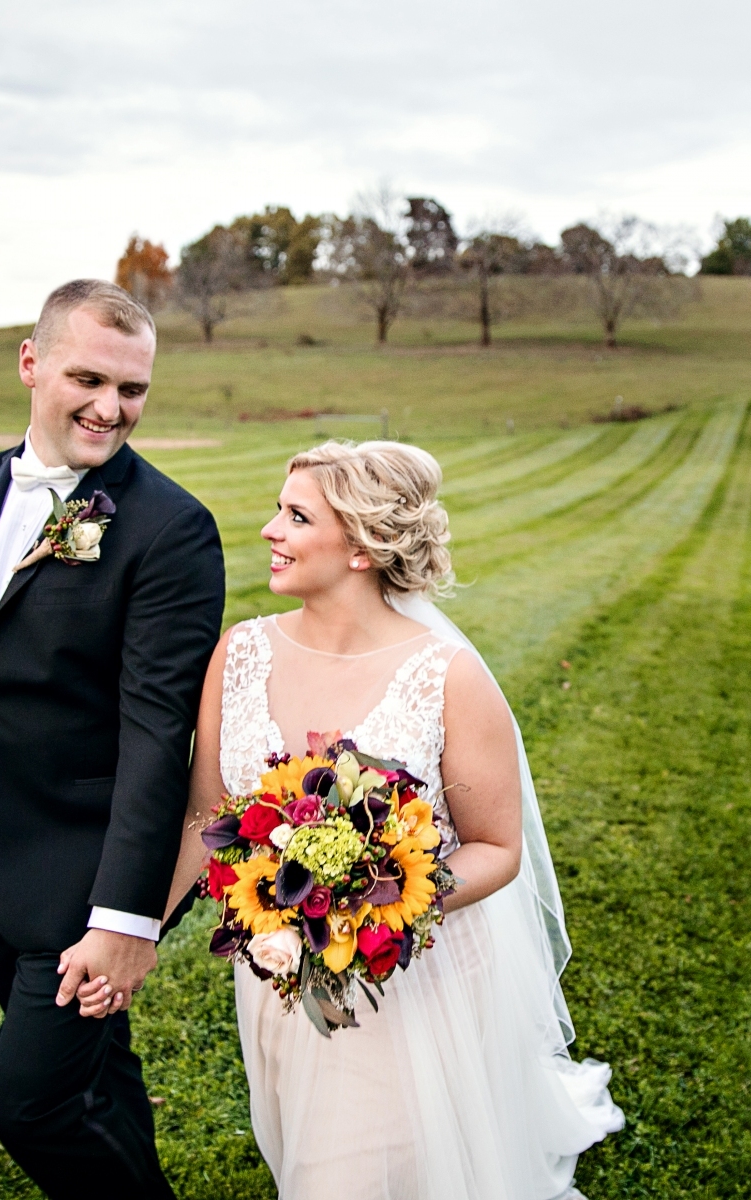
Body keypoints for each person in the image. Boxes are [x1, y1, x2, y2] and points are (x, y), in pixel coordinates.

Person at [100, 440, 621, 1198]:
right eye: (280, 510)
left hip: (412, 984)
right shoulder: (238, 654)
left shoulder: (446, 676)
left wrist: (368, 903)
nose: (269, 530)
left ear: (361, 547)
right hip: (283, 980)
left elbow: (497, 847)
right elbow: (202, 818)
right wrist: (131, 933)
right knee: (305, 1152)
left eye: (296, 515)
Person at [0, 279, 226, 1199]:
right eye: (89, 378)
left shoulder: (169, 529)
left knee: (32, 1106)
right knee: (91, 1080)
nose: (111, 408)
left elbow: (156, 736)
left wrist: (126, 919)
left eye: (133, 390)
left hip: (89, 877)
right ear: (31, 364)